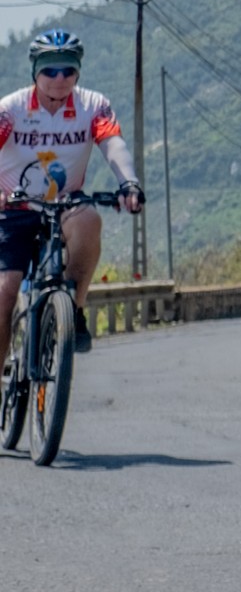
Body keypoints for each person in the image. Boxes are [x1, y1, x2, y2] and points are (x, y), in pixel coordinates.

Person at [0, 32, 144, 357]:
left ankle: (73, 308)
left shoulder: (93, 105)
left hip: (65, 204)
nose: (59, 78)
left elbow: (112, 143)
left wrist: (129, 183)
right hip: (14, 207)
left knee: (90, 219)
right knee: (5, 293)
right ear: (35, 72)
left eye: (68, 70)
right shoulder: (11, 109)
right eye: (50, 70)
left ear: (78, 72)